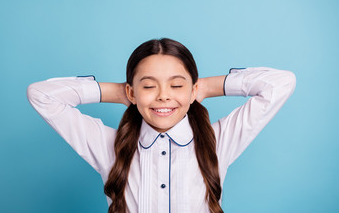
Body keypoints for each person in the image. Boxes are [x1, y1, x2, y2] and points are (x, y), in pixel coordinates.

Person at [27, 38, 296, 213]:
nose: (163, 95)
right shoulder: (107, 146)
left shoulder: (217, 141)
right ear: (132, 92)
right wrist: (118, 92)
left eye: (177, 85)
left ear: (192, 89)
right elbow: (42, 95)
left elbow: (280, 83)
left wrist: (206, 88)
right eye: (148, 86)